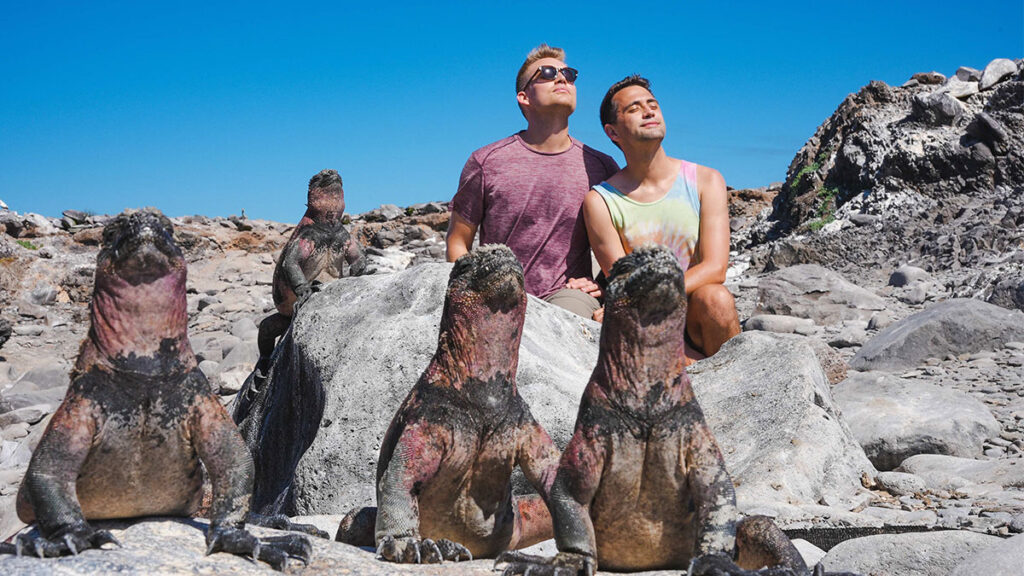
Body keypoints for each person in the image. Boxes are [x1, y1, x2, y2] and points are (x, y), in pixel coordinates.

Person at [446, 44, 618, 318]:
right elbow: (458, 240)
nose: (562, 78)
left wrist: (604, 288)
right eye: (548, 73)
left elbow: (626, 241)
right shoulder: (486, 161)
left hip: (567, 295)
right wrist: (471, 293)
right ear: (524, 97)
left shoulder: (601, 166)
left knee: (567, 321)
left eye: (569, 74)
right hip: (498, 295)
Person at [584, 75, 740, 363]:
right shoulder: (601, 201)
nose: (648, 111)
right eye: (633, 109)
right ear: (613, 132)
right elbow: (624, 280)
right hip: (646, 319)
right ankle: (699, 372)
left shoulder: (705, 180)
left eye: (652, 104)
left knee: (716, 299)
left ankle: (731, 378)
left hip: (693, 312)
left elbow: (715, 268)